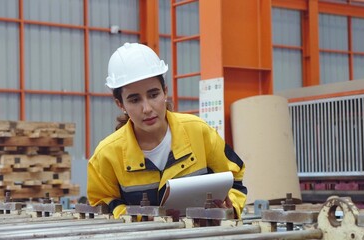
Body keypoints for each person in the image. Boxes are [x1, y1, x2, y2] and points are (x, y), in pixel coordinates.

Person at [87, 42, 247, 219]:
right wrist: (141, 218)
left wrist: (230, 208)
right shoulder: (107, 155)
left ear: (165, 92)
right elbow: (100, 204)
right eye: (134, 100)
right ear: (120, 104)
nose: (147, 108)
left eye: (153, 95)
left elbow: (235, 177)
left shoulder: (198, 132)